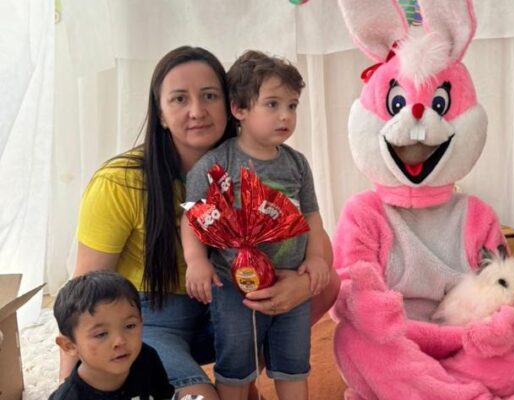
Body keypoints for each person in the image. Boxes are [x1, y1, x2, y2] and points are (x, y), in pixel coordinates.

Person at [63, 46, 339, 400]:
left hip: (226, 302)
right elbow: (82, 293)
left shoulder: (261, 163)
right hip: (155, 318)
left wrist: (300, 285)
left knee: (326, 282)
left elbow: (310, 227)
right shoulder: (120, 183)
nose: (197, 111)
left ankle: (246, 375)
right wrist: (70, 384)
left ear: (231, 105)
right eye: (179, 99)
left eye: (209, 96)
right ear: (161, 114)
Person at [181, 50, 331, 400]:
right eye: (272, 104)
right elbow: (192, 217)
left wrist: (317, 257)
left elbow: (311, 216)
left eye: (292, 106)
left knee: (293, 362)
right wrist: (196, 261)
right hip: (235, 288)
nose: (285, 116)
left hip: (291, 280)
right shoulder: (217, 163)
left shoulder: (297, 164)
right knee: (235, 363)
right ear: (239, 109)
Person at [51, 270, 175, 400]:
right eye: (101, 334)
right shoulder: (69, 397)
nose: (120, 341)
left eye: (130, 326)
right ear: (70, 346)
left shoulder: (146, 358)